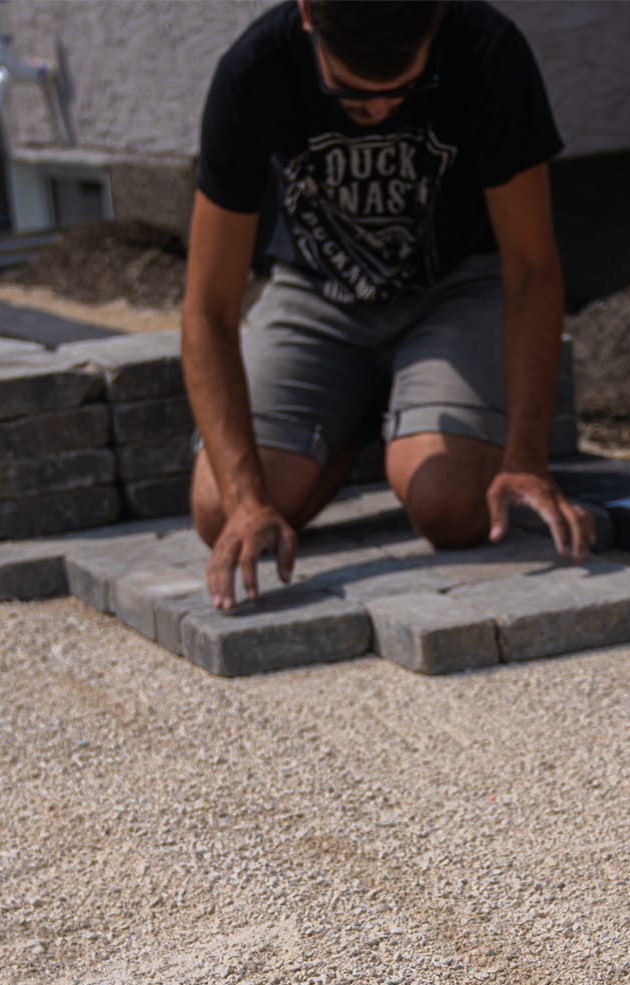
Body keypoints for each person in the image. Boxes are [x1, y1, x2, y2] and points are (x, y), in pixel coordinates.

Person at [182, 0, 594, 610]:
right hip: (316, 294)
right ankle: (355, 422)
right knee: (220, 515)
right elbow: (208, 310)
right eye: (350, 95)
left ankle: (402, 412)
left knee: (453, 508)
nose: (377, 112)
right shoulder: (254, 71)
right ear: (306, 17)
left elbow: (532, 270)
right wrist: (248, 501)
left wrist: (526, 459)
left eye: (405, 91)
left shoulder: (488, 50)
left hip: (454, 290)